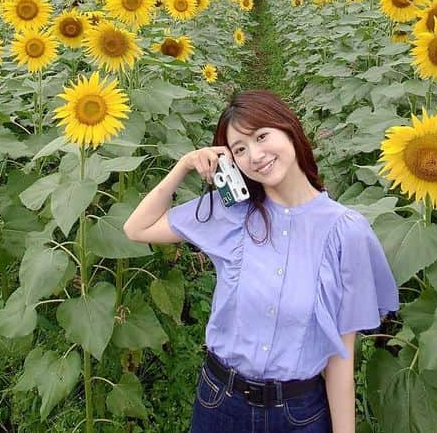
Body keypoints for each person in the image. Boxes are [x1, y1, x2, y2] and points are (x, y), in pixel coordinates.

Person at [123, 89, 399, 433]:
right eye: (239, 149)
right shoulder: (230, 214)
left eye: (262, 136)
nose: (255, 155)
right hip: (220, 403)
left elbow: (341, 359)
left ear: (289, 129)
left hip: (299, 413)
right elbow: (137, 228)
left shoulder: (345, 232)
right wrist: (183, 166)